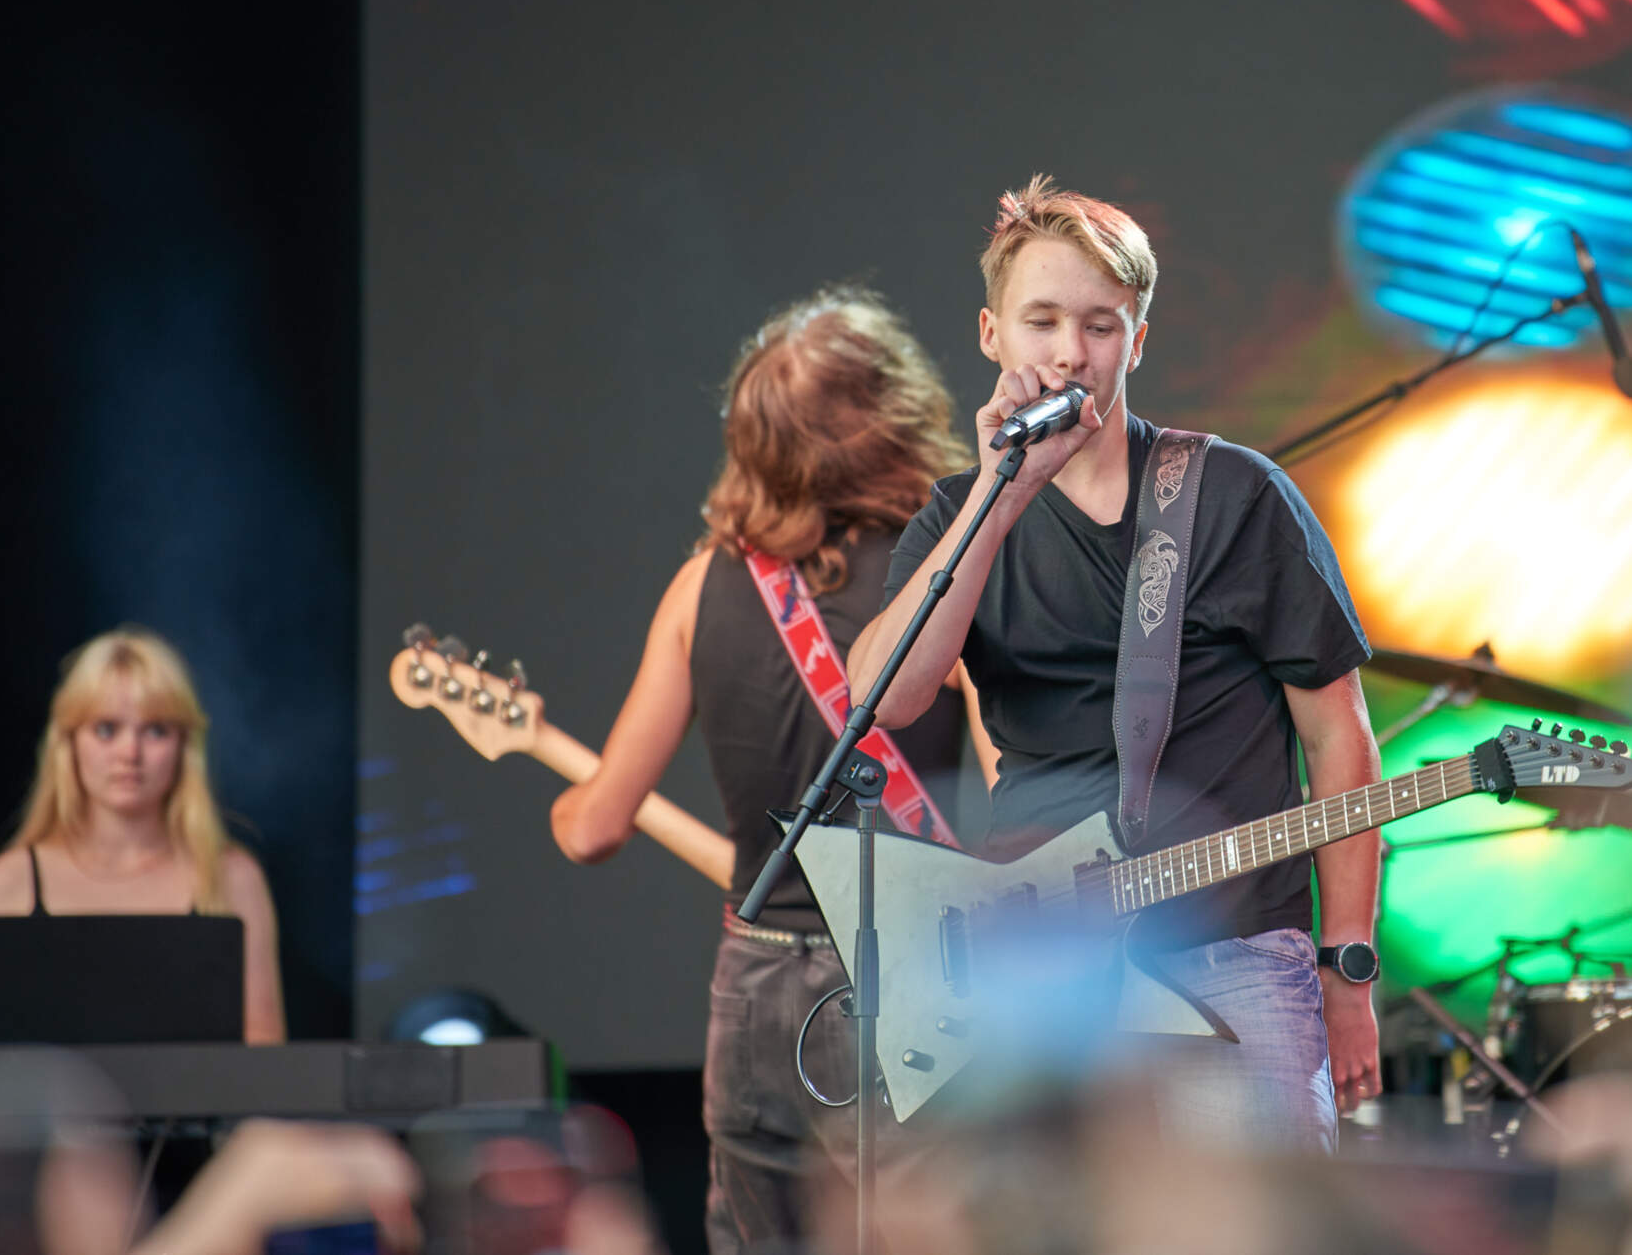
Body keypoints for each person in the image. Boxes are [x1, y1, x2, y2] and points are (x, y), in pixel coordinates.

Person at [848, 177, 1381, 1153]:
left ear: (1136, 341)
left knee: (1271, 1218)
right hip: (1042, 963)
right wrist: (1003, 498)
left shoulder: (1235, 495)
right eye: (1042, 321)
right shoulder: (958, 518)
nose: (1069, 352)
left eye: (1100, 325)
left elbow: (1339, 738)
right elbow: (885, 697)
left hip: (1233, 949)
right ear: (990, 334)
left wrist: (1348, 974)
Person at [549, 285, 987, 1255]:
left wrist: (561, 799)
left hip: (752, 986)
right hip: (909, 982)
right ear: (895, 417)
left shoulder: (699, 587)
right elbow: (1016, 789)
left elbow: (594, 829)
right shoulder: (941, 587)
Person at [0, 628, 285, 1045]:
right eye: (106, 729)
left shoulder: (232, 878)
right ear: (68, 743)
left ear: (184, 746)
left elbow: (264, 1048)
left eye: (155, 730)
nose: (129, 753)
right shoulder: (10, 883)